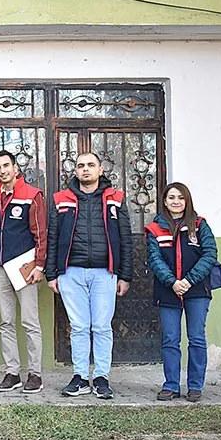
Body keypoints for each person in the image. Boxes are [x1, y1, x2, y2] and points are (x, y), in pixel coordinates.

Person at [46, 152, 133, 399]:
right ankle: (81, 377)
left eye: (90, 165)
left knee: (102, 327)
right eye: (81, 166)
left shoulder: (115, 198)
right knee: (79, 327)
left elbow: (125, 238)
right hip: (71, 272)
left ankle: (102, 378)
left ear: (100, 170)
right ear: (75, 171)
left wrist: (124, 276)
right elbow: (53, 238)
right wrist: (51, 274)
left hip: (105, 273)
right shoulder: (61, 199)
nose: (86, 169)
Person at [146, 182, 217, 403]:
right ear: (165, 201)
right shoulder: (155, 228)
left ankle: (195, 386)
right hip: (168, 291)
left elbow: (210, 254)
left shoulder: (199, 225)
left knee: (196, 338)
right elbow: (154, 259)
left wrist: (188, 280)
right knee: (170, 339)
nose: (176, 201)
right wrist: (172, 282)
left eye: (180, 197)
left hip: (196, 290)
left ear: (187, 201)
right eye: (171, 197)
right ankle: (171, 385)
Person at [0, 150, 47, 394]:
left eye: (6, 166)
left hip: (25, 267)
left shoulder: (32, 195)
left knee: (30, 322)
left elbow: (41, 233)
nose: (2, 171)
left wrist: (40, 265)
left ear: (15, 167)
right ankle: (12, 372)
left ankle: (35, 374)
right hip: (0, 267)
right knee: (6, 322)